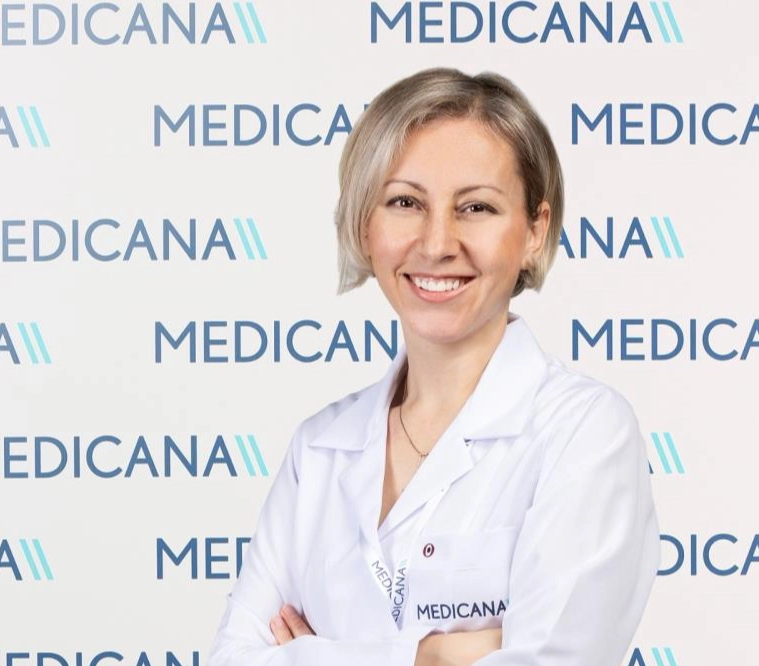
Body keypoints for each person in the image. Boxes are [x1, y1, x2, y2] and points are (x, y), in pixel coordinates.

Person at [208, 66, 661, 666]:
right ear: (364, 224)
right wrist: (434, 656)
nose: (437, 243)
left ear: (535, 230)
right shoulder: (318, 449)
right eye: (405, 202)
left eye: (475, 207)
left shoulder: (583, 431)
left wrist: (318, 655)